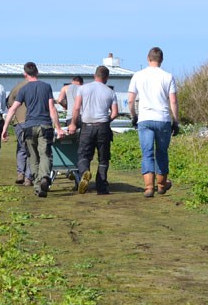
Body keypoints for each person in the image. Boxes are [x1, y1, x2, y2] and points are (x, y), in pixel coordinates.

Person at [2, 62, 64, 198]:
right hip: (45, 125)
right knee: (45, 154)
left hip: (29, 126)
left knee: (33, 157)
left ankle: (38, 185)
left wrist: (5, 129)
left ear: (25, 74)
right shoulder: (46, 87)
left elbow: (12, 109)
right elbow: (52, 108)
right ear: (37, 72)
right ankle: (45, 177)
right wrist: (58, 128)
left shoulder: (23, 89)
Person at [127, 47, 179, 198]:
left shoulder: (138, 75)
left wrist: (133, 116)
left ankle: (149, 187)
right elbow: (173, 101)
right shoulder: (168, 76)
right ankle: (162, 185)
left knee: (147, 153)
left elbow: (131, 100)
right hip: (162, 119)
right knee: (162, 152)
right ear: (161, 60)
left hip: (145, 119)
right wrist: (175, 121)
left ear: (148, 59)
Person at [67, 65, 119, 195]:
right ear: (107, 77)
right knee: (103, 158)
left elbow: (77, 108)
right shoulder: (110, 92)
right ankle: (101, 188)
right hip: (103, 127)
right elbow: (115, 113)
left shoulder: (83, 89)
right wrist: (106, 121)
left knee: (83, 154)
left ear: (94, 75)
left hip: (87, 126)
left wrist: (73, 123)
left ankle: (85, 171)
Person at [7, 78, 31, 184]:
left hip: (19, 122)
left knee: (21, 148)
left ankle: (20, 173)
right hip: (33, 121)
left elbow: (9, 104)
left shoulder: (16, 87)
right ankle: (28, 178)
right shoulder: (38, 86)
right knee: (31, 149)